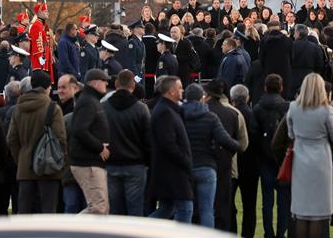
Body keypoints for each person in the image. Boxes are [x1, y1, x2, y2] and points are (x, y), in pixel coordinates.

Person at [287, 73, 333, 238]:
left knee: (302, 211)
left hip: (301, 158)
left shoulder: (294, 107)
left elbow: (290, 133)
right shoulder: (326, 110)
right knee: (318, 212)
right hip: (320, 160)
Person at [6, 70, 67, 213]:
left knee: (24, 213)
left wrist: (21, 158)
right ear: (47, 88)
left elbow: (11, 139)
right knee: (47, 212)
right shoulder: (53, 108)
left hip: (24, 168)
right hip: (49, 167)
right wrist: (62, 162)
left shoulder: (18, 109)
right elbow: (61, 139)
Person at [181, 83, 241, 228]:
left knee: (186, 209)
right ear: (201, 97)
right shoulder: (210, 117)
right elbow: (225, 140)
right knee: (207, 210)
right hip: (206, 166)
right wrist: (237, 146)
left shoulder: (180, 115)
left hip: (186, 167)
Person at [102, 69, 151, 216]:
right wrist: (148, 161)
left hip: (111, 164)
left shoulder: (104, 108)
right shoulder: (141, 109)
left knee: (115, 212)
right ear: (133, 86)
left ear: (116, 84)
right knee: (135, 210)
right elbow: (148, 139)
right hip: (136, 165)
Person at [149, 76, 194, 223]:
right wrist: (185, 160)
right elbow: (168, 144)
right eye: (180, 88)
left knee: (167, 209)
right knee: (185, 208)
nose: (182, 91)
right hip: (172, 171)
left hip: (171, 171)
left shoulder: (170, 110)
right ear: (171, 91)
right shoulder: (165, 112)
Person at [251, 74, 290, 238]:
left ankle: (269, 234)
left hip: (265, 158)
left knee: (267, 200)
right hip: (282, 159)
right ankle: (281, 234)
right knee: (283, 201)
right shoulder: (286, 107)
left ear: (265, 87)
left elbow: (253, 135)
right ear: (281, 87)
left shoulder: (258, 108)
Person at [69, 68, 111, 214]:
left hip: (91, 161)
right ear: (93, 83)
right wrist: (99, 147)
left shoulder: (90, 100)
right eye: (103, 80)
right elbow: (79, 130)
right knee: (98, 209)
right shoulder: (88, 102)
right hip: (88, 162)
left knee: (102, 208)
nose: (106, 82)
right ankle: (66, 232)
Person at [230, 84, 257, 238]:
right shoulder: (252, 114)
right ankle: (247, 236)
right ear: (247, 98)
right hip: (250, 166)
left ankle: (231, 234)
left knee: (229, 204)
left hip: (233, 165)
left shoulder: (230, 114)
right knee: (249, 206)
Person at [258, 21, 294, 100]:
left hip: (269, 73)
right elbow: (292, 58)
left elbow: (261, 59)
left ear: (268, 28)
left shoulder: (264, 41)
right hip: (285, 73)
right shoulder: (288, 40)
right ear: (280, 28)